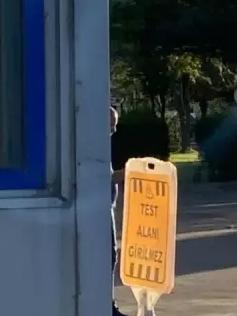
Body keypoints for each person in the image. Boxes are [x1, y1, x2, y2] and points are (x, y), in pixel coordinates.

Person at [110, 106, 128, 316]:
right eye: (111, 125)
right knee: (108, 257)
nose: (113, 130)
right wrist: (128, 172)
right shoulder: (94, 146)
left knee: (111, 257)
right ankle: (108, 307)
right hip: (101, 210)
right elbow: (103, 177)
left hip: (108, 207)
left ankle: (109, 305)